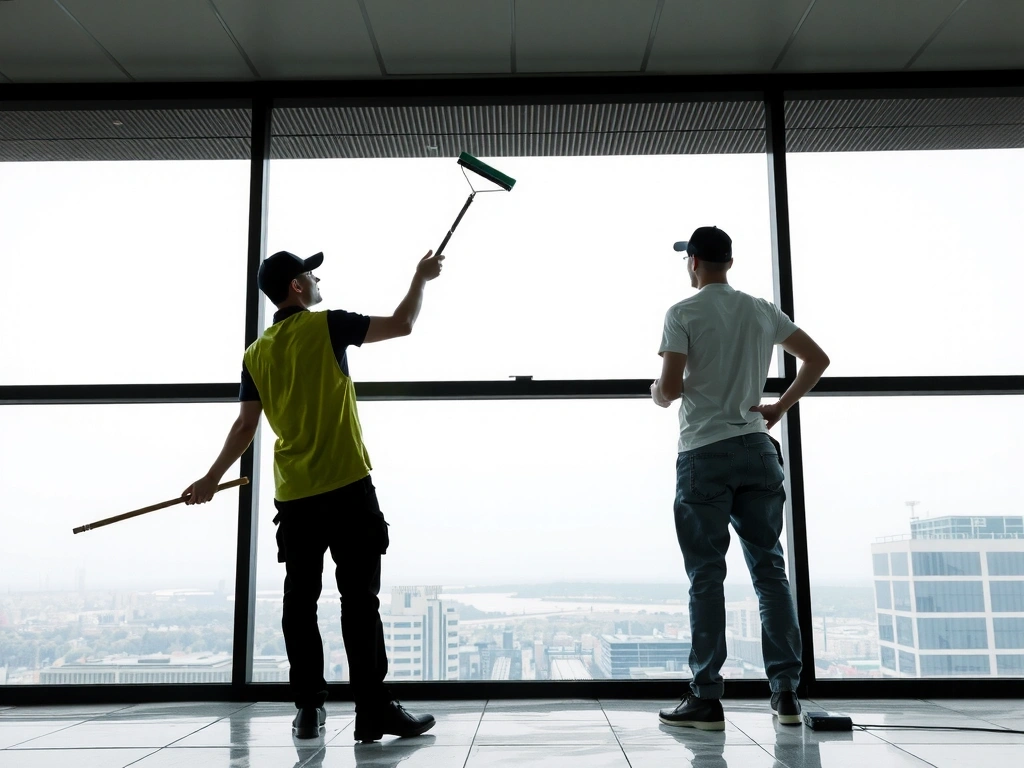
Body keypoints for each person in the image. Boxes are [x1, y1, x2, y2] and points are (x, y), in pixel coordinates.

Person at [182, 248, 444, 742]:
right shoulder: (328, 325)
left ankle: (307, 710)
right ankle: (372, 712)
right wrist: (420, 277)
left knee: (299, 602)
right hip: (347, 486)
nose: (317, 278)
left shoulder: (257, 353)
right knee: (359, 602)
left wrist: (212, 477)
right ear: (297, 287)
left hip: (296, 497)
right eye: (310, 273)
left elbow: (245, 425)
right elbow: (403, 324)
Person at [650, 226, 830, 731]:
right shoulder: (761, 309)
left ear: (694, 263)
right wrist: (778, 407)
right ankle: (787, 695)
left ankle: (706, 698)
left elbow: (668, 388)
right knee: (770, 572)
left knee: (706, 577)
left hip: (704, 453)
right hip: (756, 448)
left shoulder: (682, 313)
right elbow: (817, 360)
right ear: (728, 262)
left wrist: (657, 393)